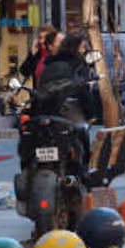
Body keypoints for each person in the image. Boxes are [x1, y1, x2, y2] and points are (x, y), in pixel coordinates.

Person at [35, 32, 97, 169]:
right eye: (82, 47)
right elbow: (82, 89)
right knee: (82, 132)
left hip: (49, 111)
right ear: (74, 48)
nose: (85, 50)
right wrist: (91, 114)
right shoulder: (76, 65)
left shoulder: (50, 64)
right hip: (69, 111)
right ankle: (83, 169)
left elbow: (41, 88)